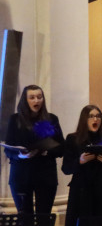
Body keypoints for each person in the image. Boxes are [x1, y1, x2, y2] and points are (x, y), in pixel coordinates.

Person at [61, 105, 102, 226]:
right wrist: (80, 161)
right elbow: (66, 168)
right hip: (81, 191)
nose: (95, 119)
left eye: (98, 116)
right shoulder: (73, 139)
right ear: (84, 119)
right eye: (91, 116)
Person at [5, 85, 64, 216]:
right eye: (32, 97)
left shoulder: (51, 119)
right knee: (25, 219)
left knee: (44, 218)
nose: (36, 101)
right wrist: (21, 155)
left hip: (45, 175)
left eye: (39, 97)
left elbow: (61, 147)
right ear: (25, 100)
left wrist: (47, 151)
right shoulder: (15, 120)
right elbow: (8, 150)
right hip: (21, 174)